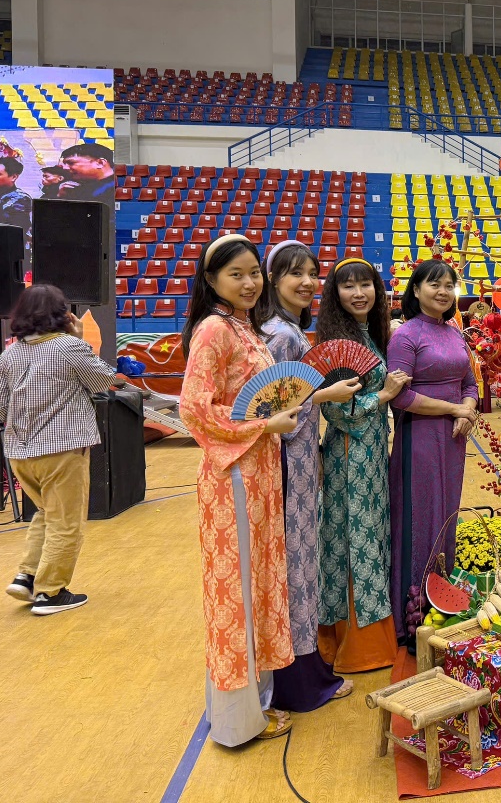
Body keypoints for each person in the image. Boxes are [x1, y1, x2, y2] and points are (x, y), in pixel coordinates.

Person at [179, 234, 299, 745]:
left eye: (254, 273)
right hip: (233, 478)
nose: (249, 283)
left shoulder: (244, 327)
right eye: (236, 274)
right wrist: (263, 425)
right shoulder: (213, 329)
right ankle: (236, 722)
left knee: (259, 586)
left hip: (260, 472)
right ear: (211, 280)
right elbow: (194, 408)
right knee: (237, 592)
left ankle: (258, 705)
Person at [255, 241, 358, 711]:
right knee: (295, 565)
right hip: (284, 461)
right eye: (295, 273)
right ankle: (299, 679)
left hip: (296, 459)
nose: (307, 282)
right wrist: (325, 395)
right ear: (273, 280)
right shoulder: (282, 335)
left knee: (298, 562)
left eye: (312, 273)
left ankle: (302, 668)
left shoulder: (287, 329)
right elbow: (274, 409)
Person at [0, 284, 121, 614]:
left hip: (20, 453)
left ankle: (27, 576)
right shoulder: (68, 346)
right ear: (62, 314)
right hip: (62, 451)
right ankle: (51, 592)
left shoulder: (10, 354)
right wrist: (80, 339)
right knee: (67, 523)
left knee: (47, 514)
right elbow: (103, 381)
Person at [316, 258, 410, 671]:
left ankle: (374, 636)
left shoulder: (369, 334)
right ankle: (357, 645)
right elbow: (336, 411)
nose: (358, 293)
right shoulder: (337, 343)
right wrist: (383, 396)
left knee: (371, 535)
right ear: (334, 294)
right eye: (348, 286)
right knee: (355, 540)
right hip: (349, 454)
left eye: (365, 284)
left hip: (371, 454)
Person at [388, 259, 480, 648]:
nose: (442, 291)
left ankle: (444, 611)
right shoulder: (405, 335)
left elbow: (470, 382)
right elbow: (400, 397)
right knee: (420, 520)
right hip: (420, 437)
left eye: (448, 285)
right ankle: (413, 620)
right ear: (416, 289)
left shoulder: (455, 332)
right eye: (433, 284)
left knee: (446, 519)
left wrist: (468, 409)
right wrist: (453, 409)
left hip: (454, 439)